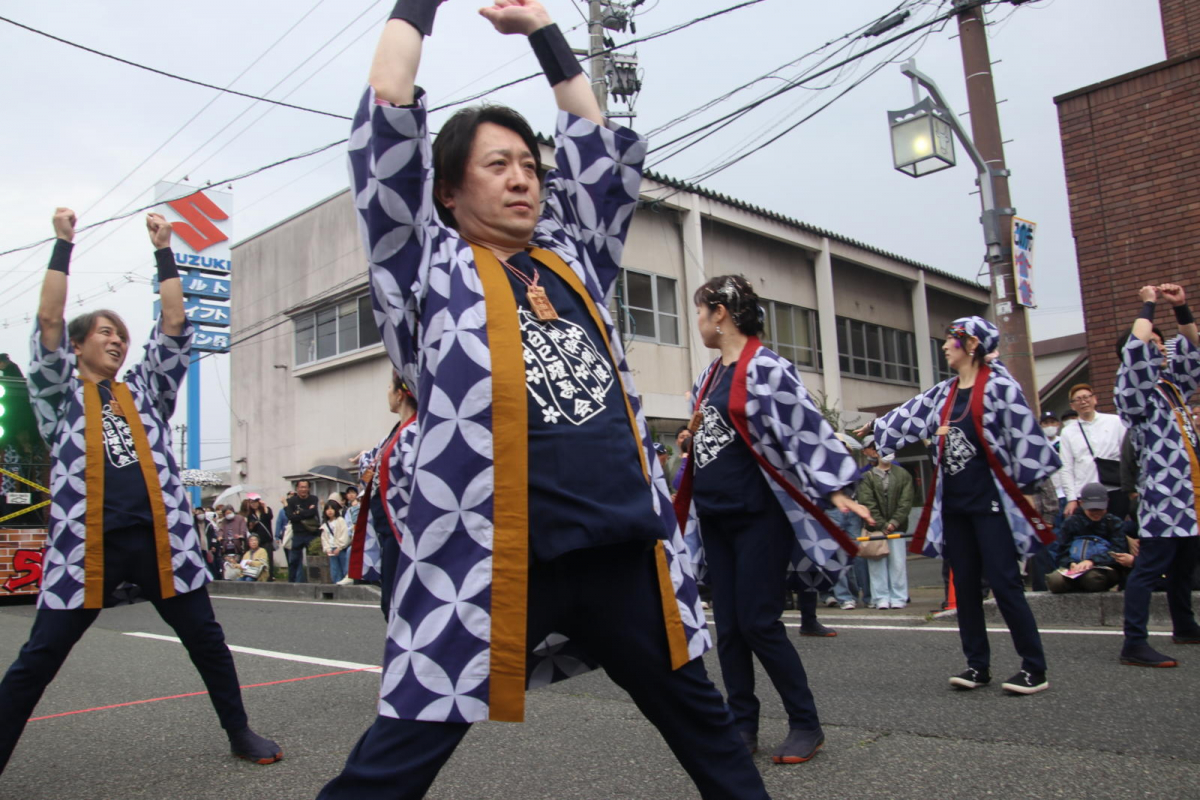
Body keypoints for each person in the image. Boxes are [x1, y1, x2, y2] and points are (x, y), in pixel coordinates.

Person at [319, 4, 768, 798]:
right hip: (492, 561)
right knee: (397, 758)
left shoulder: (572, 256)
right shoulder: (424, 265)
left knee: (709, 733)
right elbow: (386, 107)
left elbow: (595, 144)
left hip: (621, 551)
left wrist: (542, 32)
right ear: (447, 191)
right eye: (497, 165)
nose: (522, 176)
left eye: (529, 163)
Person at [0, 207, 280, 775]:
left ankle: (239, 730)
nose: (118, 341)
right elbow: (49, 319)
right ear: (76, 347)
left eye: (123, 336)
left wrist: (164, 250)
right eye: (105, 332)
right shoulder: (58, 396)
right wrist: (63, 245)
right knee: (39, 658)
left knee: (207, 641)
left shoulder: (146, 392)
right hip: (86, 548)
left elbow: (174, 323)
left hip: (162, 541)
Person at [676, 274, 871, 763]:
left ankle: (806, 723)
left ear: (721, 313)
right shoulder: (708, 376)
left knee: (759, 623)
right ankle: (742, 724)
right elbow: (718, 434)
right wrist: (690, 440)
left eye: (700, 311)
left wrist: (837, 489)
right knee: (729, 627)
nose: (697, 320)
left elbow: (805, 429)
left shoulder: (767, 368)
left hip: (759, 515)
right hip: (715, 515)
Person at [870, 316, 1060, 695]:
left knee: (1005, 584)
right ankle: (977, 665)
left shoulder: (1000, 388)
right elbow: (908, 415)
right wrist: (875, 430)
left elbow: (1026, 439)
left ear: (972, 344)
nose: (944, 346)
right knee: (966, 587)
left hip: (991, 504)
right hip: (955, 506)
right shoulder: (946, 392)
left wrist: (1027, 493)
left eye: (950, 340)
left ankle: (1033, 668)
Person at [1113, 284, 1200, 667]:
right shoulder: (1134, 392)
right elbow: (1135, 350)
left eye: (1162, 343)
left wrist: (1181, 308)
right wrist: (1148, 303)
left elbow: (1193, 348)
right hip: (1163, 495)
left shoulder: (1170, 387)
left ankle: (1185, 625)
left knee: (1184, 564)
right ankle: (1134, 642)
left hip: (1190, 491)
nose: (1160, 348)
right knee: (1150, 568)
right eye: (1153, 343)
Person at [346, 372, 419, 610]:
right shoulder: (398, 431)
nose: (387, 393)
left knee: (397, 602)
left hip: (404, 530)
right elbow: (377, 458)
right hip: (389, 529)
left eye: (389, 387)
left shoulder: (413, 432)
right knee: (391, 599)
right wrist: (365, 457)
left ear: (400, 394)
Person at [1059, 382, 1129, 519]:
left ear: (1095, 399)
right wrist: (1071, 498)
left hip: (1115, 488)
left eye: (1086, 397)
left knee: (1118, 526)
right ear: (1072, 406)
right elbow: (1066, 467)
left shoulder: (1115, 422)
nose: (1083, 401)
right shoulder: (1067, 432)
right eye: (1078, 399)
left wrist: (1131, 487)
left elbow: (1127, 456)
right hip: (1086, 492)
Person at [1046, 483, 1130, 593]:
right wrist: (1070, 563)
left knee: (1092, 579)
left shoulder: (1114, 523)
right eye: (1092, 510)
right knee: (1055, 581)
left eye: (1100, 509)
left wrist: (1092, 561)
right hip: (1073, 567)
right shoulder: (1071, 523)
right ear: (1081, 503)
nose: (1096, 513)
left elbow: (1118, 550)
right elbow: (1061, 551)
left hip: (1102, 569)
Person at [857, 451, 914, 610]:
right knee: (877, 562)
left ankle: (899, 597)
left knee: (898, 563)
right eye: (884, 451)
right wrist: (882, 525)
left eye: (891, 451)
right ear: (876, 454)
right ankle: (880, 597)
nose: (888, 455)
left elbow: (906, 501)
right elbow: (866, 501)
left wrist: (894, 522)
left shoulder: (903, 474)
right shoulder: (867, 476)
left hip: (897, 527)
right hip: (874, 528)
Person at [285, 480, 319, 583]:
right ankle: (292, 582)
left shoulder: (313, 499)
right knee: (294, 560)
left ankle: (314, 581)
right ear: (297, 488)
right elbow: (290, 516)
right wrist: (305, 512)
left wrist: (299, 513)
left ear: (309, 488)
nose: (303, 489)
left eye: (305, 487)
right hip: (298, 534)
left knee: (314, 559)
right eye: (301, 487)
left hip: (311, 533)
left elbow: (312, 513)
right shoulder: (292, 501)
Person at [244, 495, 275, 581]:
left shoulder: (266, 510)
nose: (254, 504)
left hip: (267, 540)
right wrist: (251, 525)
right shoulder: (250, 515)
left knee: (268, 560)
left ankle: (269, 577)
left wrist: (264, 506)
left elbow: (269, 517)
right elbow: (250, 529)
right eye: (251, 503)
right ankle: (258, 578)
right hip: (257, 542)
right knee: (258, 560)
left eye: (255, 502)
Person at [321, 499, 351, 584]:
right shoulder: (325, 524)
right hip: (331, 549)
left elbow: (345, 534)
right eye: (327, 509)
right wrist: (327, 549)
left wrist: (340, 547)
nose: (329, 511)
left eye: (332, 509)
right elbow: (324, 538)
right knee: (334, 570)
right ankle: (336, 584)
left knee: (344, 567)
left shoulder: (340, 520)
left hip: (340, 549)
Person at [216, 505, 248, 574]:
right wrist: (220, 536)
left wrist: (241, 535)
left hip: (237, 544)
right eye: (226, 513)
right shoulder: (224, 521)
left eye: (229, 512)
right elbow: (221, 530)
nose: (228, 514)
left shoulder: (240, 518)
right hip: (226, 544)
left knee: (238, 562)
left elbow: (243, 529)